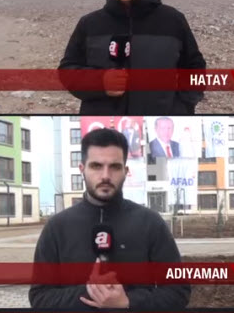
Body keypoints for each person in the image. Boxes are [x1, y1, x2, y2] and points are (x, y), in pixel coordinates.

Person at [29, 128, 190, 309]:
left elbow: (178, 291)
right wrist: (91, 292)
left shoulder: (151, 223)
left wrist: (129, 302)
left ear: (125, 171)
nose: (105, 175)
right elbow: (40, 297)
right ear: (82, 169)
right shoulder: (57, 227)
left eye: (114, 167)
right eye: (96, 166)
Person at [59, 0, 206, 114]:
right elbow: (67, 71)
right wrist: (100, 81)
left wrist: (183, 108)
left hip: (160, 120)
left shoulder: (173, 20)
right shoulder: (90, 24)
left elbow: (195, 68)